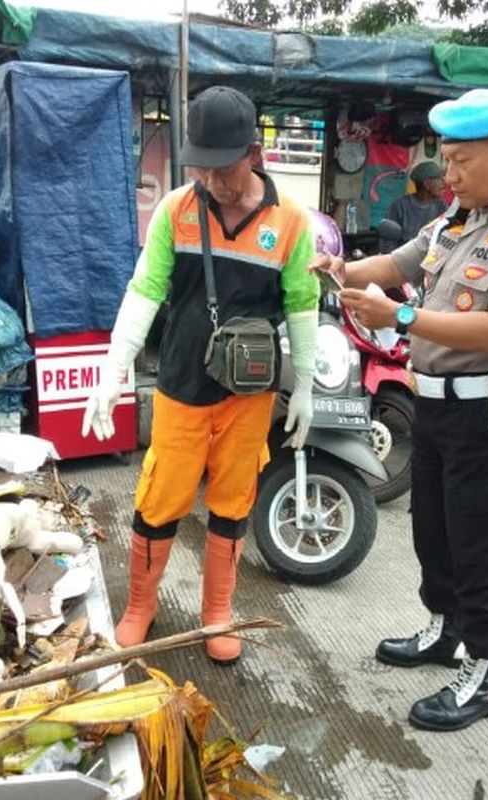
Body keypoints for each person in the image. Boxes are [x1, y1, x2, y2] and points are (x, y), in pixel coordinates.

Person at [312, 88, 488, 731]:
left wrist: (399, 313)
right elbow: (397, 263)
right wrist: (337, 268)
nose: (447, 176)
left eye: (460, 162)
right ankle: (446, 632)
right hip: (436, 407)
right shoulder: (458, 216)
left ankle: (486, 674)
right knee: (437, 533)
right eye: (445, 160)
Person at [81, 86, 320, 664]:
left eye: (223, 166)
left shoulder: (290, 223)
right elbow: (144, 291)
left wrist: (306, 384)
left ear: (254, 152)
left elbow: (303, 302)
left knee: (233, 502)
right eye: (202, 167)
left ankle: (218, 613)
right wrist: (114, 370)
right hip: (182, 388)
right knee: (161, 497)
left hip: (250, 393)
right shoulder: (176, 212)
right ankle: (141, 605)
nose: (212, 179)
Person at [380, 161, 448, 252]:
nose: (444, 183)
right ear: (427, 184)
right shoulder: (400, 207)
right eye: (440, 179)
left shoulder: (442, 207)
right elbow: (389, 243)